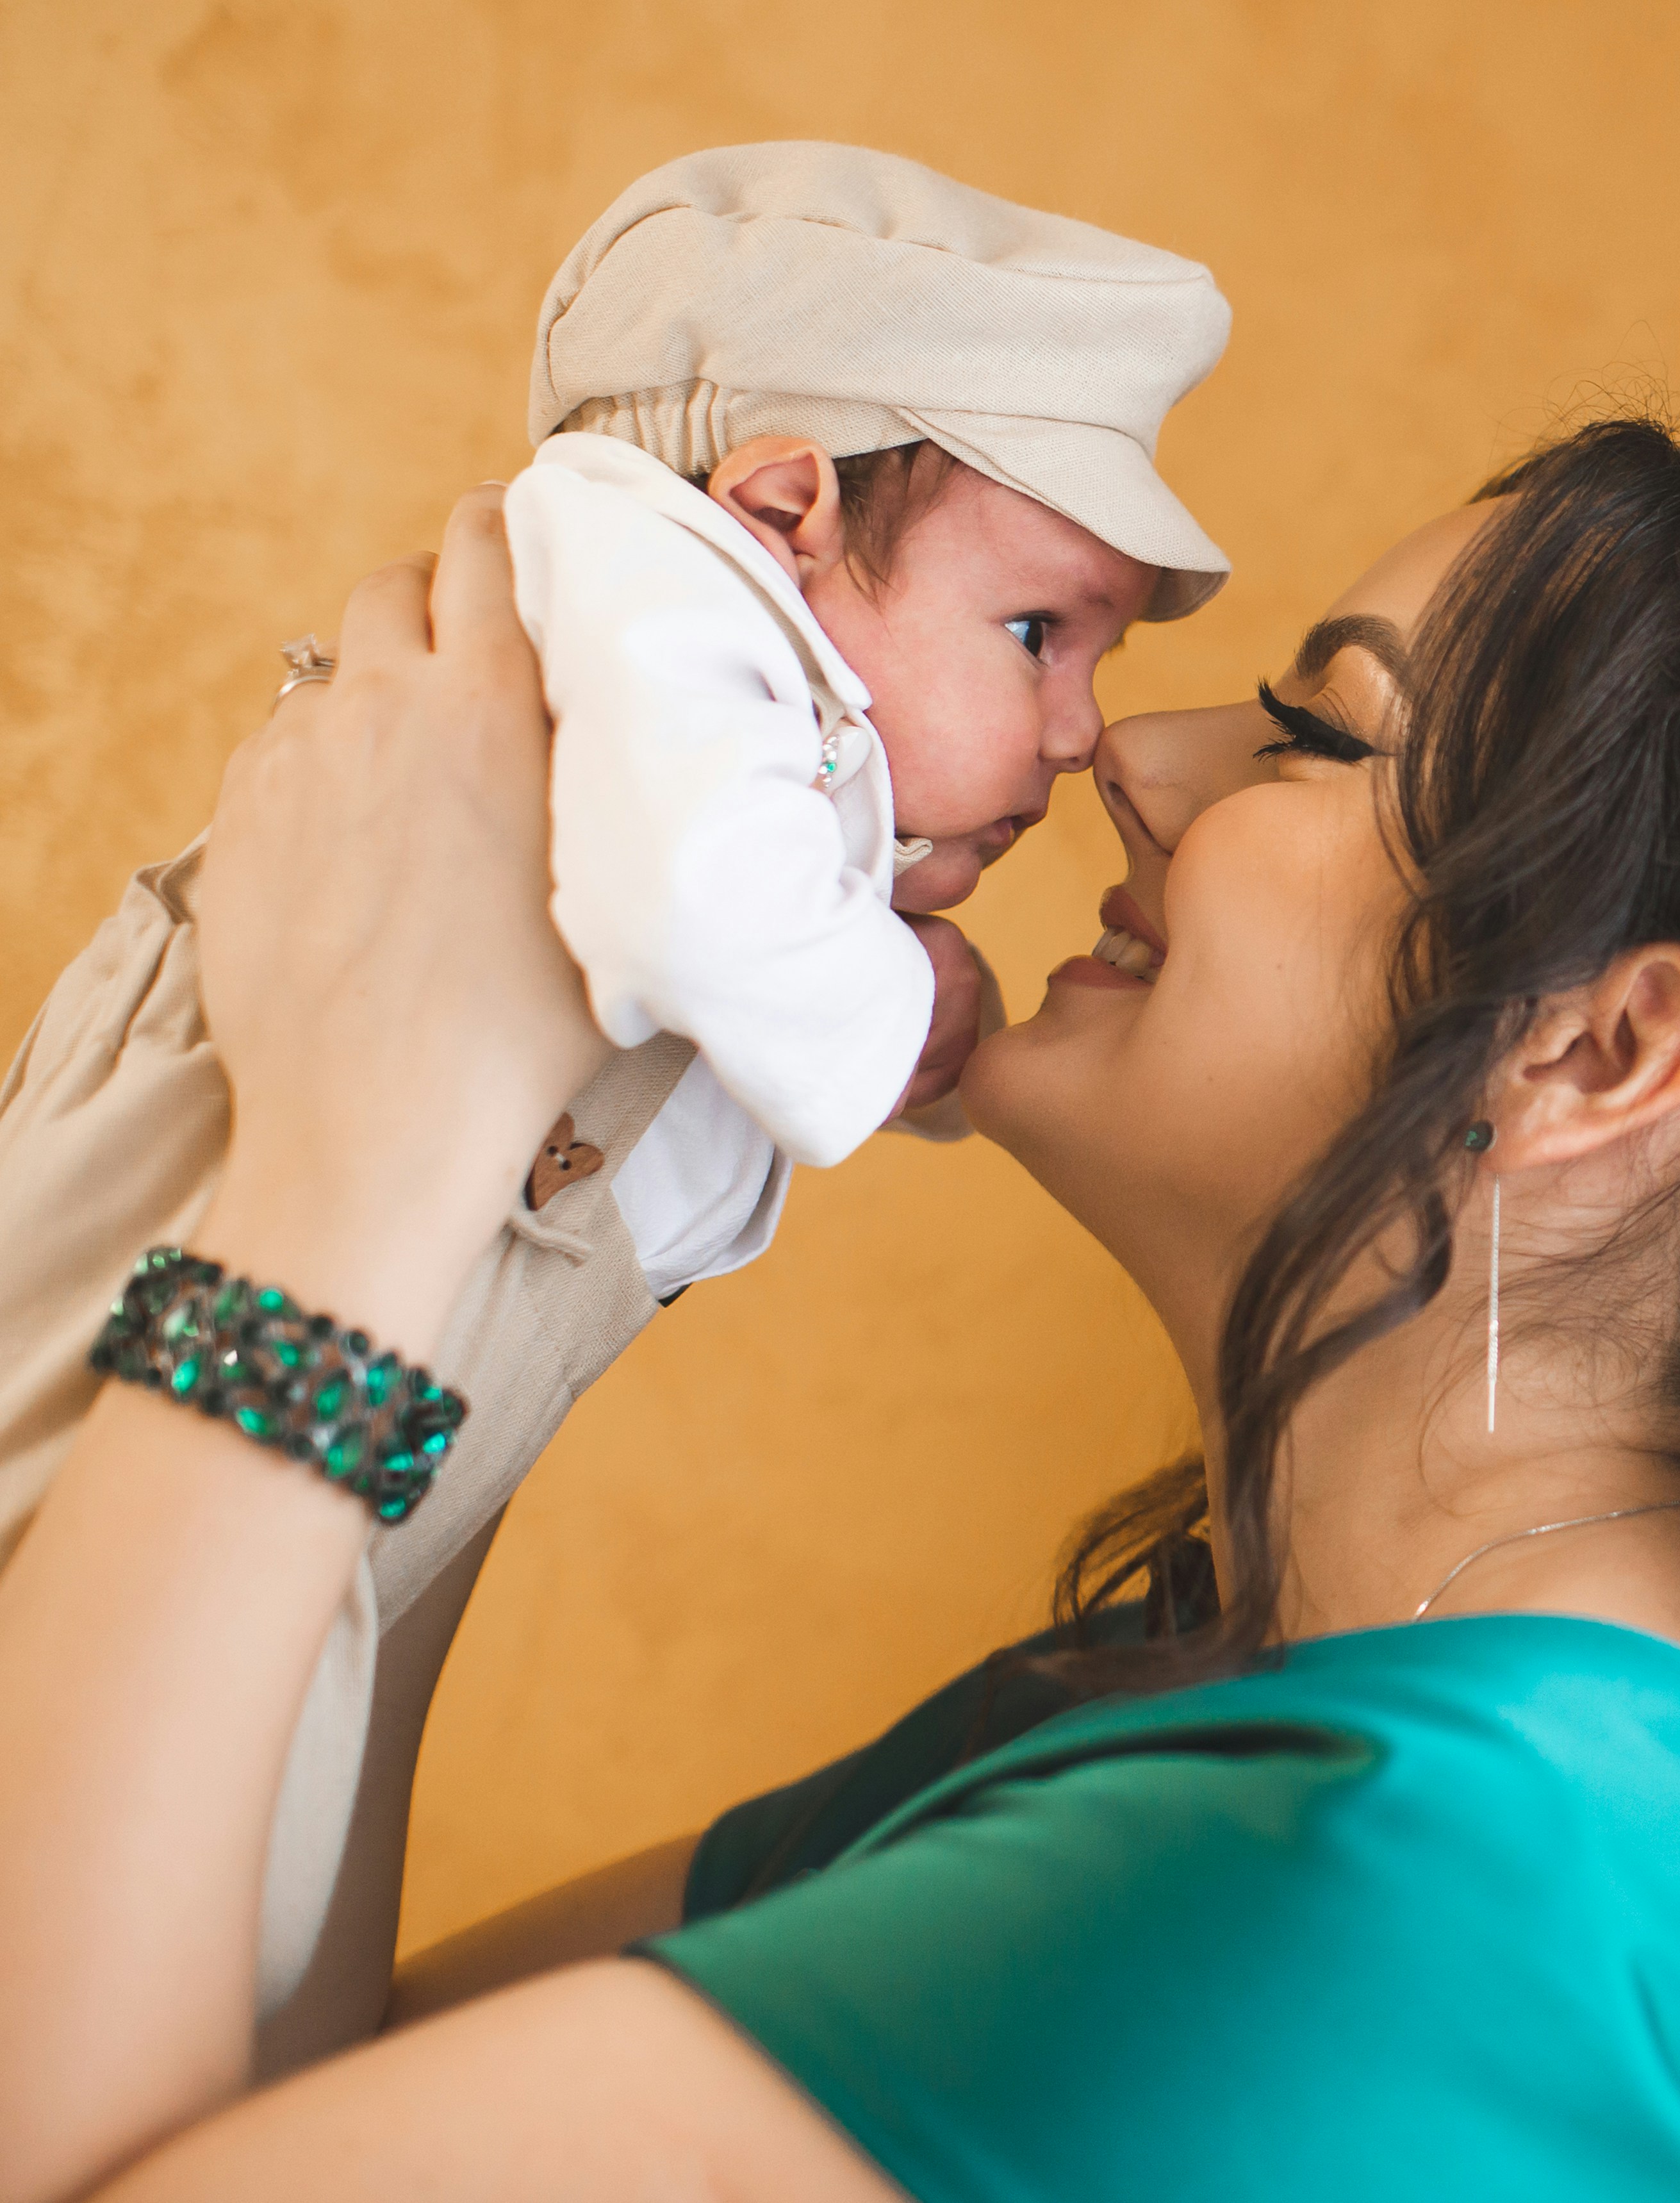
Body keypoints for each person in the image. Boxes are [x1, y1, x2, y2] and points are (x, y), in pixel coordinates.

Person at [0, 408, 1680, 2202]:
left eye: (1317, 738)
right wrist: (510, 1223)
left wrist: (355, 1168)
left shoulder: (1403, 1901)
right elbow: (250, 2107)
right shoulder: (1258, 1738)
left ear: (1602, 1056)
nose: (1130, 750)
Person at [0, 141, 1230, 2055]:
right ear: (781, 505)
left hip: (374, 1324)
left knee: (231, 1876)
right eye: (1036, 635)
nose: (1083, 734)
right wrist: (896, 1008)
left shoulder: (749, 722)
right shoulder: (652, 574)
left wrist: (895, 1004)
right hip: (203, 1226)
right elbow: (686, 911)